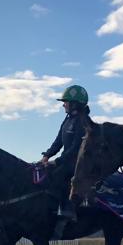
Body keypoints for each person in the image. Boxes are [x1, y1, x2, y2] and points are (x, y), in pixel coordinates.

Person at [40, 85, 89, 227]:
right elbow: (58, 141)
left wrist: (57, 162)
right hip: (66, 160)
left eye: (66, 101)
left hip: (77, 163)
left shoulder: (83, 121)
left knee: (58, 176)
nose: (63, 105)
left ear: (74, 103)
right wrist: (47, 156)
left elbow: (75, 149)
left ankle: (67, 210)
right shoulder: (68, 120)